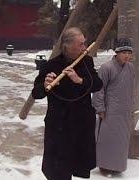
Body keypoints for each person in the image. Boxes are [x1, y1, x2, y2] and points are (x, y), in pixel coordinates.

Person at [31, 27, 103, 180]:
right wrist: (45, 85)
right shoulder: (51, 65)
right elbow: (36, 94)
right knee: (58, 170)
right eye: (80, 44)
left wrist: (80, 80)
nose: (85, 48)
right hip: (59, 127)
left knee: (76, 164)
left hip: (81, 125)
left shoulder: (86, 62)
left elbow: (98, 84)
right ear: (67, 46)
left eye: (85, 43)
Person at [92, 38, 135, 176]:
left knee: (121, 140)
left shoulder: (131, 68)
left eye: (129, 52)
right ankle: (104, 166)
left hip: (124, 110)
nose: (127, 56)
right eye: (123, 52)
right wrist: (100, 108)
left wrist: (131, 106)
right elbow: (99, 89)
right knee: (107, 138)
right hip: (110, 110)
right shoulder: (107, 67)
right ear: (117, 53)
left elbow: (130, 88)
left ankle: (118, 166)